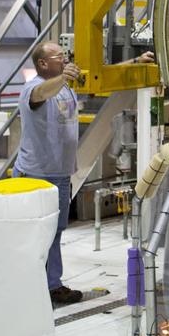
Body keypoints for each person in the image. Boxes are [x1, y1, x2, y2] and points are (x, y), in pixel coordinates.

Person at [14, 41, 155, 305]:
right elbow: (42, 93)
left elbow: (103, 75)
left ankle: (51, 285)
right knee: (36, 233)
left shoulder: (65, 84)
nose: (65, 59)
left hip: (61, 173)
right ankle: (33, 285)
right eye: (59, 56)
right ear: (43, 63)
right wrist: (63, 77)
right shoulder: (33, 88)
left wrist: (135, 63)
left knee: (55, 231)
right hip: (36, 174)